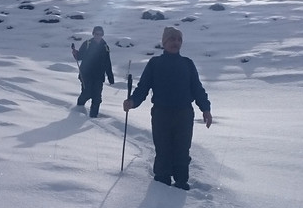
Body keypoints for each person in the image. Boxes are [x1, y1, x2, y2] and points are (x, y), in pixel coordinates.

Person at [123, 26, 212, 190]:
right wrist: (133, 101)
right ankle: (162, 183)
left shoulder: (187, 64)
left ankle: (181, 182)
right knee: (163, 149)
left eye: (179, 40)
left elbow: (197, 89)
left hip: (184, 113)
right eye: (172, 39)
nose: (176, 42)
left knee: (182, 149)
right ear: (164, 42)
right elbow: (143, 88)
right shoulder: (155, 63)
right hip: (161, 114)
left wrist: (205, 109)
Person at [72, 26, 114, 118]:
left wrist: (110, 77)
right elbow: (79, 57)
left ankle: (93, 116)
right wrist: (75, 53)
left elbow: (108, 62)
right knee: (87, 93)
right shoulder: (87, 44)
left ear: (102, 35)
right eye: (96, 34)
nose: (98, 36)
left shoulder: (105, 47)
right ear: (93, 34)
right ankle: (78, 108)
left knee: (97, 97)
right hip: (86, 74)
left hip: (99, 76)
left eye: (100, 34)